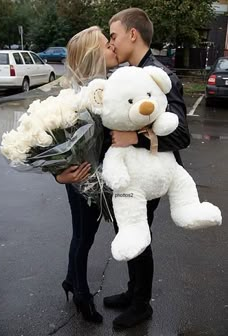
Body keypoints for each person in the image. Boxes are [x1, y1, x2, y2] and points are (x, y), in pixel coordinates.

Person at [102, 8, 191, 330]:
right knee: (129, 229)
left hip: (150, 175)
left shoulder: (158, 75)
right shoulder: (130, 73)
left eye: (114, 35)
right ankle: (132, 292)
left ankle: (141, 305)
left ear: (132, 34)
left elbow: (181, 134)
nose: (111, 43)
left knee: (139, 232)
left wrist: (134, 138)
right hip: (131, 172)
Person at [55, 26, 118, 323]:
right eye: (107, 45)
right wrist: (59, 175)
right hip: (81, 178)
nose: (113, 48)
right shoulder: (77, 98)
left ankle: (71, 279)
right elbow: (55, 144)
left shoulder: (105, 87)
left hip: (98, 176)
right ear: (95, 56)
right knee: (84, 237)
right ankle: (80, 294)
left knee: (84, 235)